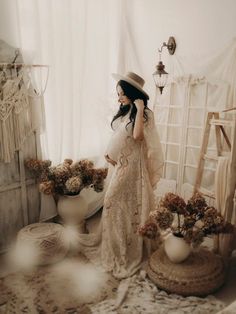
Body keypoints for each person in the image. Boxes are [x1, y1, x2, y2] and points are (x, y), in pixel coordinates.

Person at [78, 72, 164, 279]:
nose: (119, 98)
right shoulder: (126, 112)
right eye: (118, 94)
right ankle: (115, 246)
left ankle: (126, 248)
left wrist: (141, 107)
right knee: (116, 203)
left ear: (133, 94)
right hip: (121, 166)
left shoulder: (144, 114)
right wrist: (111, 156)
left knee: (114, 200)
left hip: (134, 168)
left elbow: (137, 136)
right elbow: (120, 138)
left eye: (122, 94)